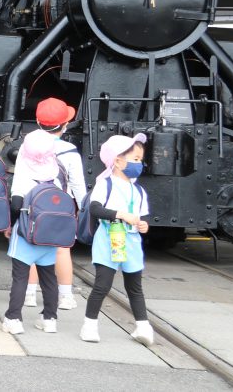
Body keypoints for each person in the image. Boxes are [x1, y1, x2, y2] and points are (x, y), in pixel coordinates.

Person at [80, 133, 154, 346]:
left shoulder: (138, 190)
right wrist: (120, 215)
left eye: (140, 160)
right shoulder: (105, 184)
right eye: (135, 159)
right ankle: (90, 325)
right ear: (118, 161)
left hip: (131, 241)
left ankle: (143, 326)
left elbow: (143, 215)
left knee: (135, 286)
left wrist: (143, 225)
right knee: (102, 284)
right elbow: (95, 209)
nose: (139, 164)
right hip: (108, 238)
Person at [24, 97, 85, 311]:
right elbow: (77, 184)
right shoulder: (70, 151)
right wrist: (83, 208)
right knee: (62, 250)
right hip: (61, 206)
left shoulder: (26, 146)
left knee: (31, 247)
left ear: (37, 122)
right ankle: (65, 296)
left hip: (34, 203)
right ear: (65, 125)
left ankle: (29, 294)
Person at [1, 129, 64, 335]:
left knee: (20, 277)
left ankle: (14, 318)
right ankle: (50, 319)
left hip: (25, 235)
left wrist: (11, 225)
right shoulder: (56, 177)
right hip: (49, 237)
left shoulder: (24, 176)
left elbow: (15, 205)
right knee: (49, 278)